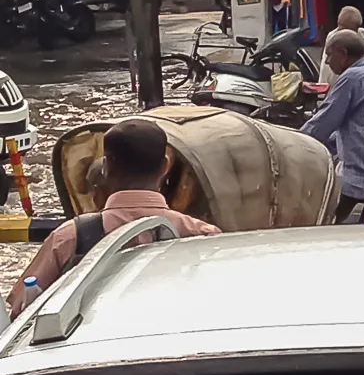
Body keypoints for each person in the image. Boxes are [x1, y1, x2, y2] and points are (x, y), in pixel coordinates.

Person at [8, 119, 218, 315]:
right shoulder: (204, 235)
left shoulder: (69, 238)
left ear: (106, 167)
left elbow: (20, 310)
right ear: (164, 167)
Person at [301, 29, 364, 221]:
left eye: (330, 55)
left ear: (343, 53)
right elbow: (349, 128)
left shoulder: (352, 78)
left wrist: (292, 141)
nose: (328, 62)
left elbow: (322, 123)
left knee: (322, 217)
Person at [320, 6, 364, 85]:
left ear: (357, 28)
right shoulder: (333, 38)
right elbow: (327, 70)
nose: (342, 31)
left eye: (347, 29)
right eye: (340, 27)